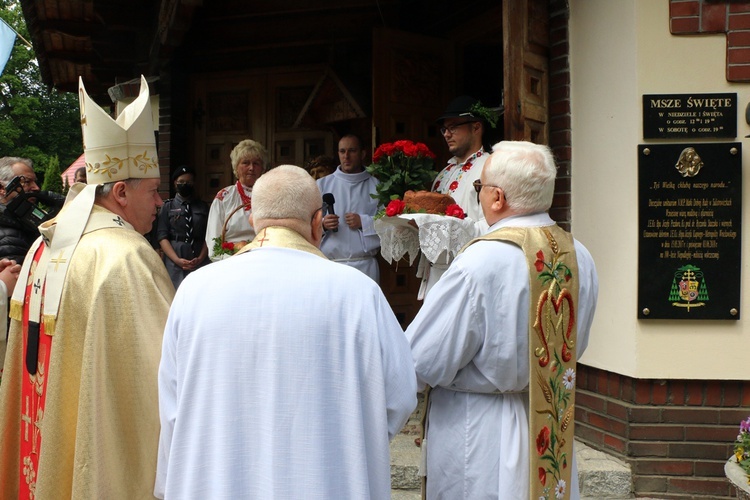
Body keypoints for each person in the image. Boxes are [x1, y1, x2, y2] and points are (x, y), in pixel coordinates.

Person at [155, 164, 417, 498]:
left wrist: (169, 479)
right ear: (317, 222)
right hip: (323, 478)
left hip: (219, 480)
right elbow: (399, 394)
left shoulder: (195, 290)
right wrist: (351, 436)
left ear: (253, 222)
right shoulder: (358, 292)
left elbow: (173, 405)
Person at [0, 76, 174, 498]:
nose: (160, 203)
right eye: (153, 191)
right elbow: (162, 377)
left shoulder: (48, 244)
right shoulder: (125, 256)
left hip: (40, 437)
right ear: (119, 191)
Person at [406, 141, 599, 499]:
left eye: (479, 189)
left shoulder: (480, 262)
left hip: (478, 428)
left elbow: (422, 358)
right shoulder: (579, 255)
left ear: (497, 198)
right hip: (551, 421)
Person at [416, 96, 494, 298]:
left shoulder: (491, 168)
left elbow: (495, 225)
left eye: (453, 127)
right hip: (436, 273)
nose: (446, 134)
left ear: (476, 127)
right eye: (444, 129)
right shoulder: (443, 173)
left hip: (468, 274)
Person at [317, 134, 381, 282]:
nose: (346, 156)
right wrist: (323, 225)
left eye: (352, 150)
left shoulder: (377, 186)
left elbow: (389, 225)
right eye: (342, 151)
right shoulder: (322, 185)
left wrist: (363, 222)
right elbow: (306, 223)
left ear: (362, 154)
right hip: (331, 265)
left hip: (365, 266)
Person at [205, 139, 267, 260]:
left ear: (262, 168)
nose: (251, 168)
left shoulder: (270, 196)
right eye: (245, 163)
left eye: (256, 163)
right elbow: (213, 240)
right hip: (230, 261)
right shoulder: (224, 197)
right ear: (236, 167)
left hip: (262, 259)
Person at [157, 165, 210, 289]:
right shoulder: (168, 207)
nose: (185, 185)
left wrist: (201, 257)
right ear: (175, 183)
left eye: (188, 182)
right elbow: (162, 236)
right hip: (175, 258)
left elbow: (210, 234)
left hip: (198, 257)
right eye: (181, 182)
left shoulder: (202, 207)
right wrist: (176, 260)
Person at [0, 157, 44, 264]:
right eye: (27, 182)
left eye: (35, 182)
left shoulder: (18, 221)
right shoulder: (8, 237)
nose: (36, 188)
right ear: (1, 188)